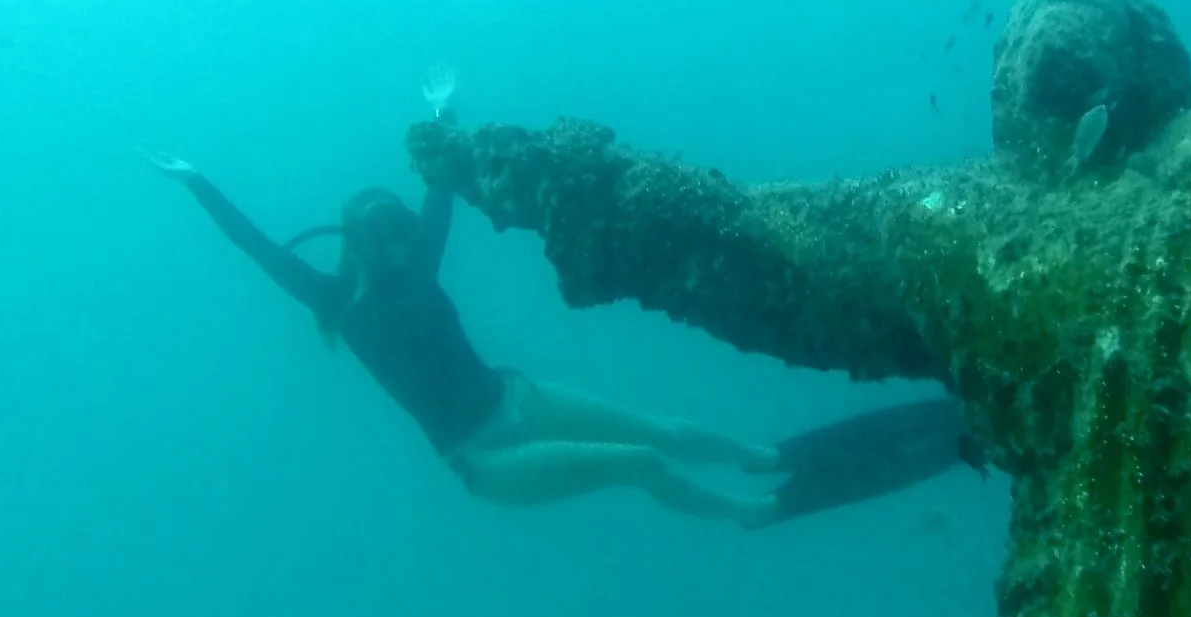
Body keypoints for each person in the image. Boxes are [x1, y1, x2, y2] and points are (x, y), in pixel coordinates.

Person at [144, 152, 980, 526]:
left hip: (518, 395)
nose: (400, 241)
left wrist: (441, 121)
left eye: (400, 226)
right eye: (383, 232)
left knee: (656, 430)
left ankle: (763, 458)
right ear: (357, 240)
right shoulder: (334, 299)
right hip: (482, 460)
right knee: (643, 465)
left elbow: (441, 189)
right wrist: (197, 183)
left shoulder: (421, 264)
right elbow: (255, 247)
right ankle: (753, 515)